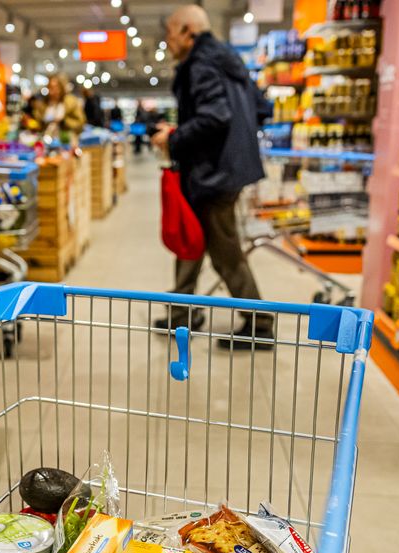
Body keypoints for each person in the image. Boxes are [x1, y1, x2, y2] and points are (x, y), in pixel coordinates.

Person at [152, 4, 272, 349]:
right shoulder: (228, 59)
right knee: (190, 241)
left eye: (170, 34)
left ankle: (260, 324)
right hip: (224, 168)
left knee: (225, 252)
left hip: (214, 173)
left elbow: (215, 116)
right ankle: (182, 315)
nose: (167, 41)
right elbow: (262, 108)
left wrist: (174, 138)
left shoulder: (200, 63)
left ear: (189, 31)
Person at [35, 75, 86, 143]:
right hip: (47, 139)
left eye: (55, 87)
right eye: (50, 87)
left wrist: (64, 121)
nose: (52, 91)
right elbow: (39, 122)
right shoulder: (44, 104)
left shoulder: (70, 101)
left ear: (61, 88)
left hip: (67, 139)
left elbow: (80, 122)